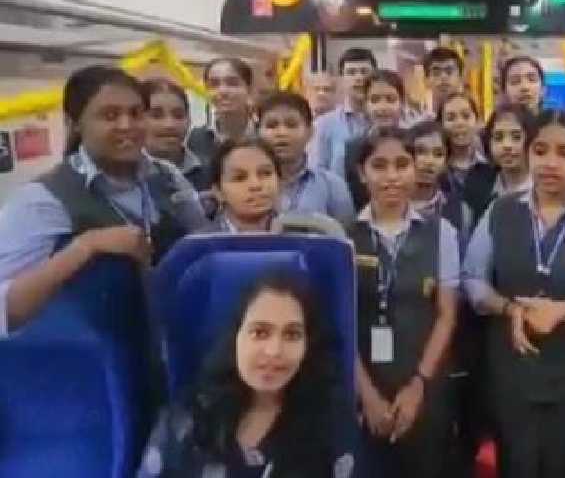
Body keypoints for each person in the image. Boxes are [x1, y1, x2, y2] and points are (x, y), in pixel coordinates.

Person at [463, 109, 565, 478]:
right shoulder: (499, 212)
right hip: (511, 379)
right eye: (540, 150)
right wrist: (509, 308)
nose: (550, 163)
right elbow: (472, 280)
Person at [0, 66, 207, 336]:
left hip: (176, 344)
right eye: (110, 115)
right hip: (97, 360)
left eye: (136, 113)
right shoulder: (43, 199)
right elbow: (7, 310)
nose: (127, 125)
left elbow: (206, 246)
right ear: (74, 123)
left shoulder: (167, 177)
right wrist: (84, 247)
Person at [137, 274, 352, 478]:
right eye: (260, 332)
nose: (274, 350)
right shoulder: (185, 422)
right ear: (236, 339)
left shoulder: (332, 427)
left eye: (291, 334)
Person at [347, 127, 459, 478]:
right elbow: (339, 321)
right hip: (364, 384)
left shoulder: (442, 233)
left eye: (401, 164)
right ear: (362, 173)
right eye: (379, 166)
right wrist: (366, 393)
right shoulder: (344, 237)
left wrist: (418, 385)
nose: (392, 176)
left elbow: (446, 315)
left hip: (424, 382)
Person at [257, 92, 355, 226]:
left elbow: (346, 239)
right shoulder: (250, 186)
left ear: (310, 132)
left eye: (291, 125)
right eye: (272, 126)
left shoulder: (332, 186)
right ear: (258, 132)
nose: (281, 133)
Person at [464, 102, 536, 223]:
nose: (506, 145)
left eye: (516, 137)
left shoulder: (544, 186)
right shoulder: (477, 184)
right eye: (498, 137)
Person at [344, 70, 406, 211]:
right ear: (365, 105)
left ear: (402, 103)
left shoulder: (412, 143)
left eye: (390, 99)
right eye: (375, 100)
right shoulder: (353, 148)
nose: (383, 107)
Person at [313, 48, 377, 175]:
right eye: (351, 72)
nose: (359, 78)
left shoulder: (391, 120)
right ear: (341, 79)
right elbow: (317, 173)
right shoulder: (324, 125)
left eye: (364, 72)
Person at [408, 120, 473, 244]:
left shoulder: (461, 212)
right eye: (421, 152)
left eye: (438, 154)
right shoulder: (390, 204)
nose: (429, 161)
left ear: (446, 162)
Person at [141, 78, 210, 193]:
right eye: (156, 116)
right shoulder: (120, 175)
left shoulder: (211, 173)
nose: (169, 125)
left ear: (189, 120)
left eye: (178, 115)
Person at [188, 58, 256, 166]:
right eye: (214, 85)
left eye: (232, 83)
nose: (223, 91)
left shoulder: (265, 133)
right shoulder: (197, 138)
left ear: (249, 88)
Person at [206, 137, 281, 234]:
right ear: (218, 192)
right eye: (239, 178)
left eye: (266, 173)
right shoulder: (199, 246)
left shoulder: (302, 240)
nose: (256, 185)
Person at [439, 93, 487, 195]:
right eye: (451, 118)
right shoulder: (437, 169)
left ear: (477, 121)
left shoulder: (489, 165)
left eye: (466, 116)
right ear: (440, 124)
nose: (459, 123)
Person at [423, 47, 466, 112]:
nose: (443, 76)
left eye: (449, 71)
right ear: (426, 80)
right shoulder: (420, 122)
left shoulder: (475, 121)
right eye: (436, 73)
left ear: (461, 78)